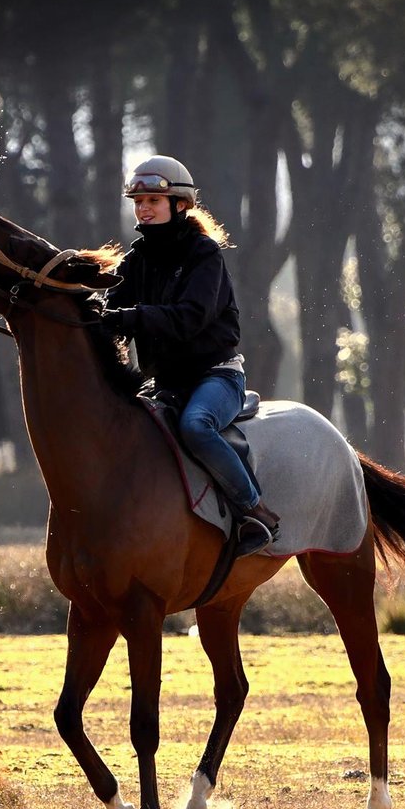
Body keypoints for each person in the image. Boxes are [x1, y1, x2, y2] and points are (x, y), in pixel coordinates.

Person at [99, 154, 280, 555]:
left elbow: (189, 318)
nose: (143, 210)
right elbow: (110, 307)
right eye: (138, 203)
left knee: (196, 427)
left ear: (180, 204)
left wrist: (127, 318)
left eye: (153, 202)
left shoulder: (204, 255)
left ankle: (255, 511)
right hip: (164, 383)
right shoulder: (136, 259)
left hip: (217, 377)